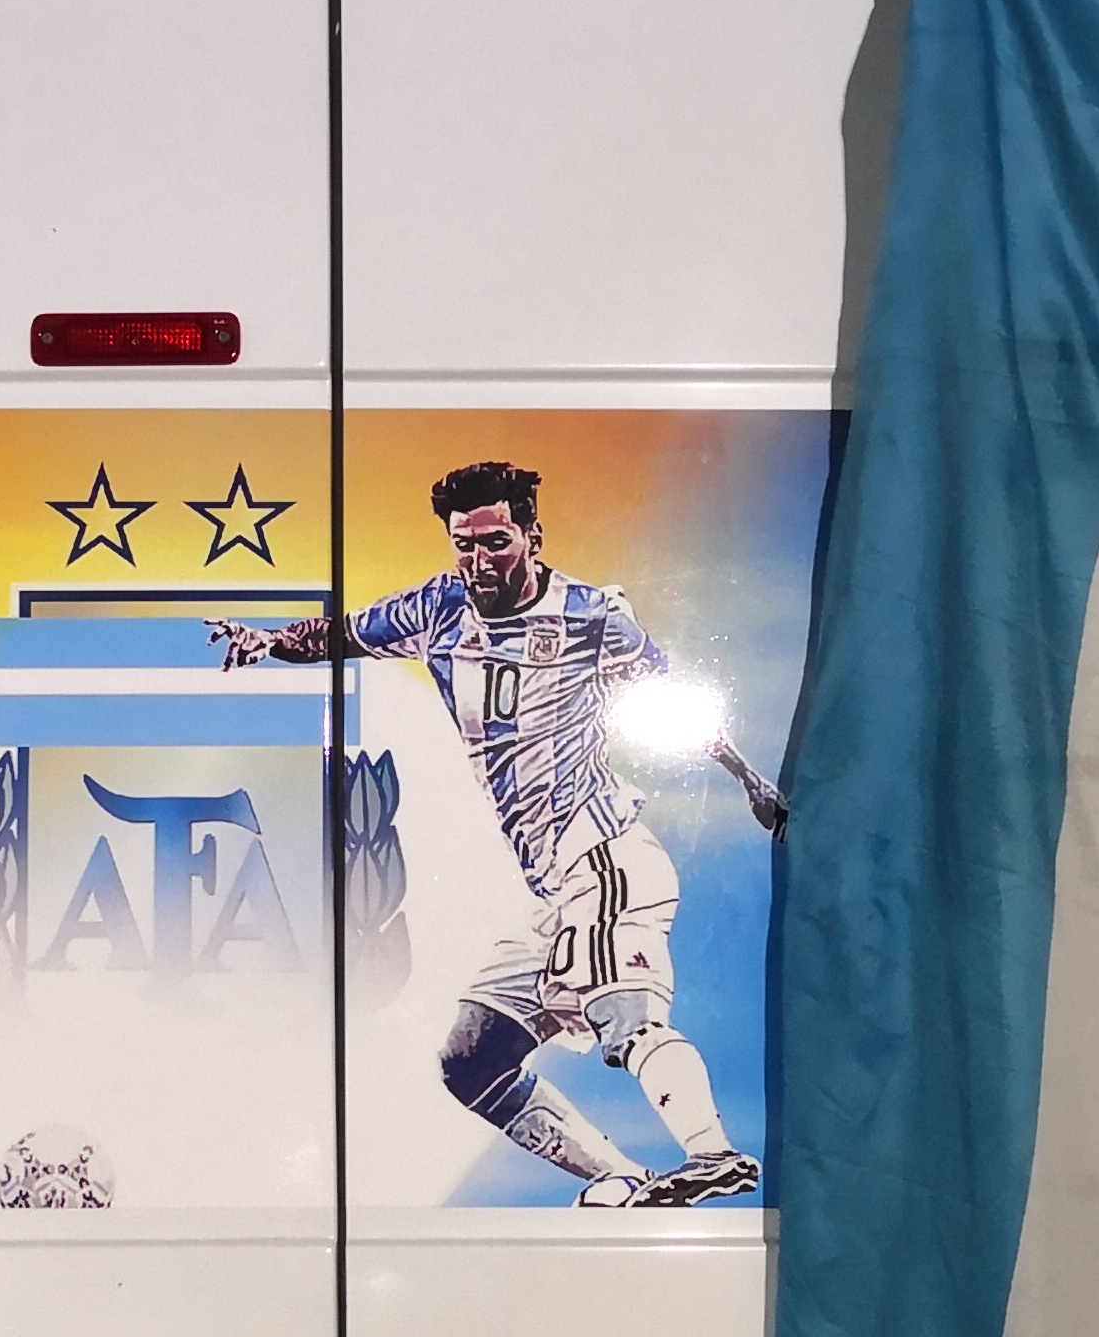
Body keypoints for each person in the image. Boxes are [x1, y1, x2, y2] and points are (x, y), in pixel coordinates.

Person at [211, 458, 783, 1207]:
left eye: (496, 542)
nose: (480, 561)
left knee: (622, 1013)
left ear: (532, 537)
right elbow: (342, 633)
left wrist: (748, 778)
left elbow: (677, 701)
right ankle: (622, 1175)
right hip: (551, 889)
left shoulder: (590, 614)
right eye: (465, 545)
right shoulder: (439, 609)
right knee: (470, 1060)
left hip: (604, 856)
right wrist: (271, 642)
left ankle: (714, 1155)